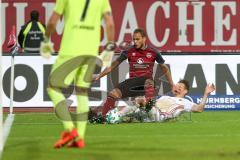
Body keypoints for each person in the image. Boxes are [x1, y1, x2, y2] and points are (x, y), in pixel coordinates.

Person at [40, 0, 114, 149]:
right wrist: (110, 47)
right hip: (90, 52)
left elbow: (53, 20)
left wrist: (46, 40)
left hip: (70, 50)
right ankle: (79, 138)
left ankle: (70, 129)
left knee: (52, 87)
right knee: (82, 93)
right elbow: (110, 23)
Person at [92, 28, 174, 121]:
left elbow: (164, 68)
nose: (135, 41)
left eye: (137, 39)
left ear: (144, 39)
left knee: (148, 82)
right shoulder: (129, 51)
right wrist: (99, 75)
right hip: (133, 82)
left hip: (146, 83)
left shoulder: (153, 52)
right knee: (114, 93)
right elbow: (113, 65)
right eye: (134, 39)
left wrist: (171, 84)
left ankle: (149, 104)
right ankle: (104, 118)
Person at [105, 80, 215, 123]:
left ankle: (111, 118)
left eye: (181, 86)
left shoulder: (185, 102)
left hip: (160, 115)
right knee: (130, 108)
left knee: (140, 103)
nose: (178, 86)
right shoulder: (164, 97)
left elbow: (199, 109)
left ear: (185, 91)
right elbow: (152, 103)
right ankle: (106, 118)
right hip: (150, 115)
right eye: (177, 85)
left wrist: (206, 94)